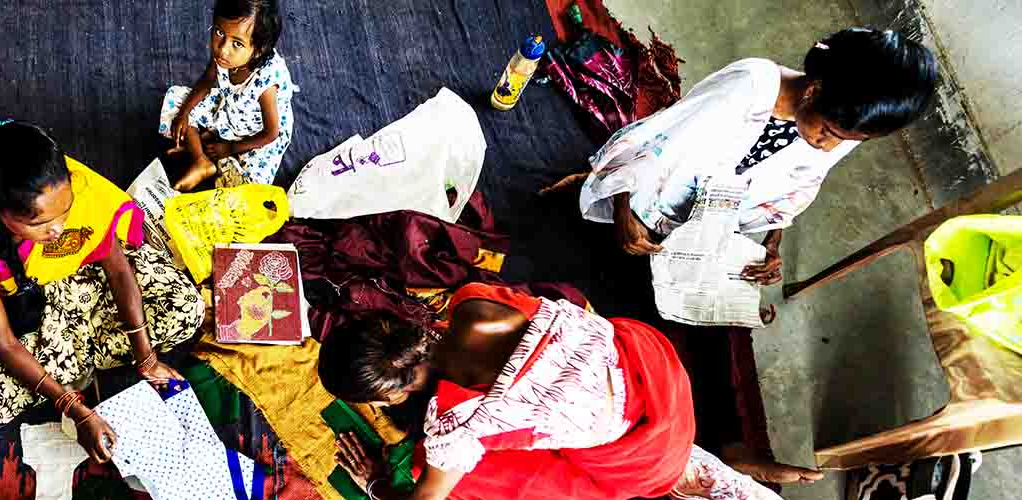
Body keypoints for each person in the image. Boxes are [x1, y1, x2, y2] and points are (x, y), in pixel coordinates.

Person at [544, 27, 938, 286]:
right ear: (814, 91)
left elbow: (798, 185)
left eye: (849, 141)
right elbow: (657, 146)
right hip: (647, 191)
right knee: (578, 249)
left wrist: (770, 243)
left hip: (694, 219)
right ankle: (592, 186)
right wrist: (622, 211)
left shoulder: (843, 126)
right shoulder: (748, 86)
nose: (828, 146)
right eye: (830, 133)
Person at [320, 283, 784, 500]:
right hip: (654, 367)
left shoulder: (452, 428)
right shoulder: (472, 302)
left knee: (452, 477)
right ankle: (704, 468)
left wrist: (379, 483)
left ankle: (691, 474)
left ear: (388, 398)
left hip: (641, 455)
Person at [0, 119, 203, 459]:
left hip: (87, 278)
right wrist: (74, 409)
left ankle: (74, 362)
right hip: (26, 310)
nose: (59, 229)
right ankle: (79, 363)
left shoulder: (72, 184)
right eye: (40, 223)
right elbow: (3, 341)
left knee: (185, 308)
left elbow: (119, 270)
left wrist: (146, 358)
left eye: (65, 212)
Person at [160, 0, 298, 191]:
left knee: (251, 189)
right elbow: (207, 80)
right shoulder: (224, 55)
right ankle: (203, 161)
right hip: (229, 110)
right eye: (219, 32)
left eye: (237, 44)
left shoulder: (266, 84)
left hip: (256, 134)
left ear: (258, 50)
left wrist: (230, 148)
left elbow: (271, 134)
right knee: (176, 99)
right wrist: (184, 113)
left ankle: (206, 146)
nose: (223, 48)